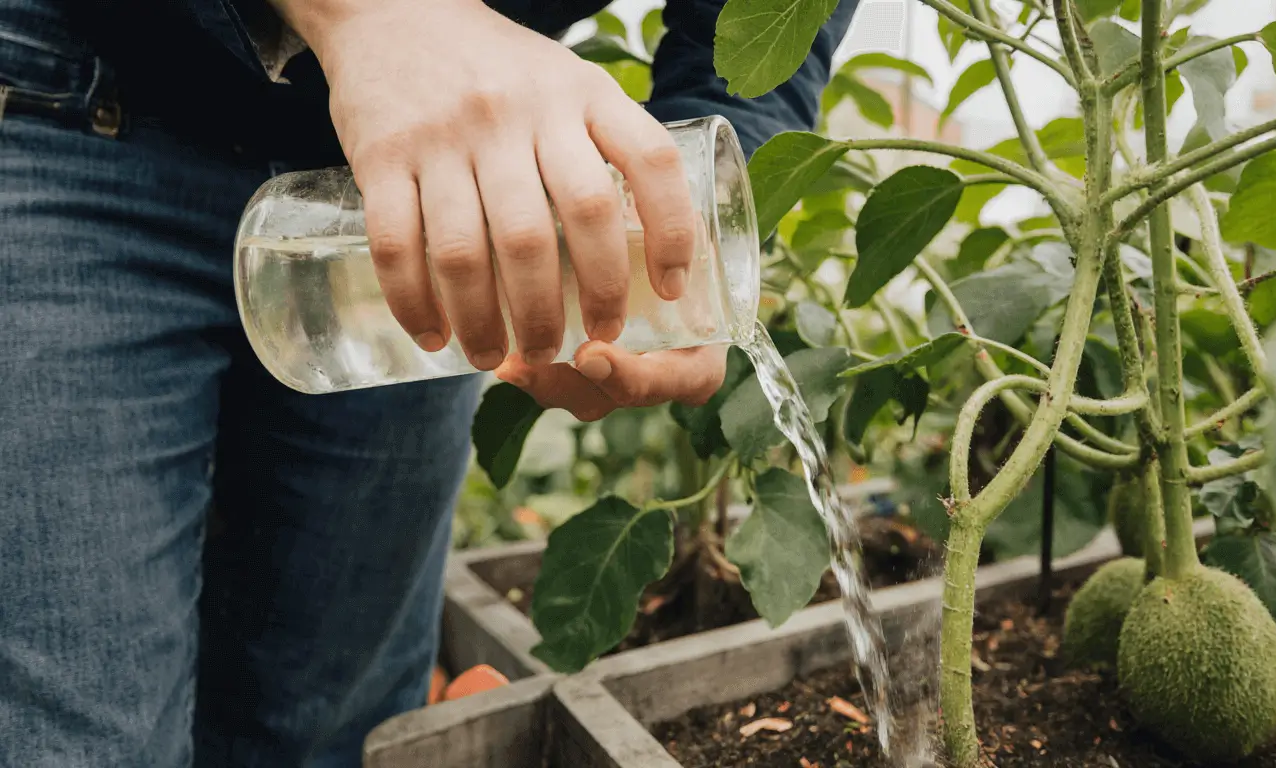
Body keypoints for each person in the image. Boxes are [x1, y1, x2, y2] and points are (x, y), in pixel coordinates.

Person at [0, 0, 860, 765]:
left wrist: (686, 199)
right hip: (76, 102)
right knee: (76, 737)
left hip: (428, 190)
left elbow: (755, 39)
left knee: (333, 722)